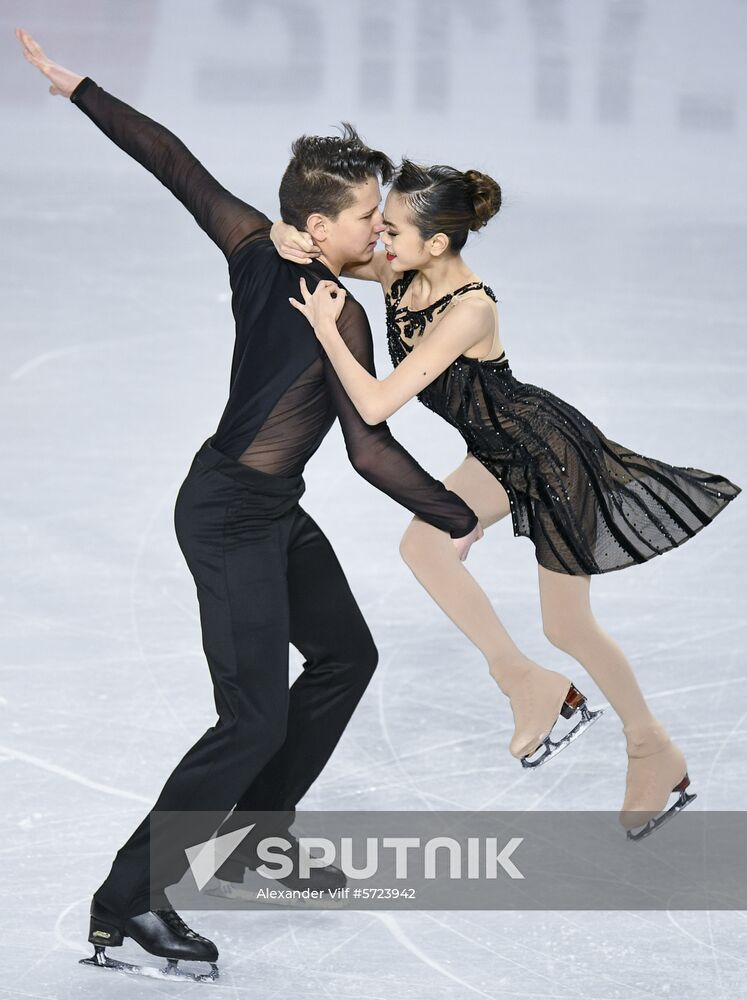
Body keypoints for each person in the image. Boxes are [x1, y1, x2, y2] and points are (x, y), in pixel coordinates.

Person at [15, 29, 487, 980]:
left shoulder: (252, 244)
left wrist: (85, 92)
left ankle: (259, 840)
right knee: (251, 719)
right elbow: (366, 448)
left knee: (345, 656)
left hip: (265, 504)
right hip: (230, 511)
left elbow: (178, 168)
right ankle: (128, 902)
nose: (379, 234)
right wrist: (456, 514)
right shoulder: (336, 311)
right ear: (319, 229)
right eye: (366, 221)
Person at [273, 157, 741, 842]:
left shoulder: (469, 309)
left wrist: (324, 331)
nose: (378, 234)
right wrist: (293, 237)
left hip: (547, 460)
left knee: (567, 627)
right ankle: (525, 681)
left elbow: (374, 404)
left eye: (392, 228)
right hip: (494, 456)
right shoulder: (402, 272)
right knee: (423, 545)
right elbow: (343, 260)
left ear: (435, 243)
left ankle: (650, 748)